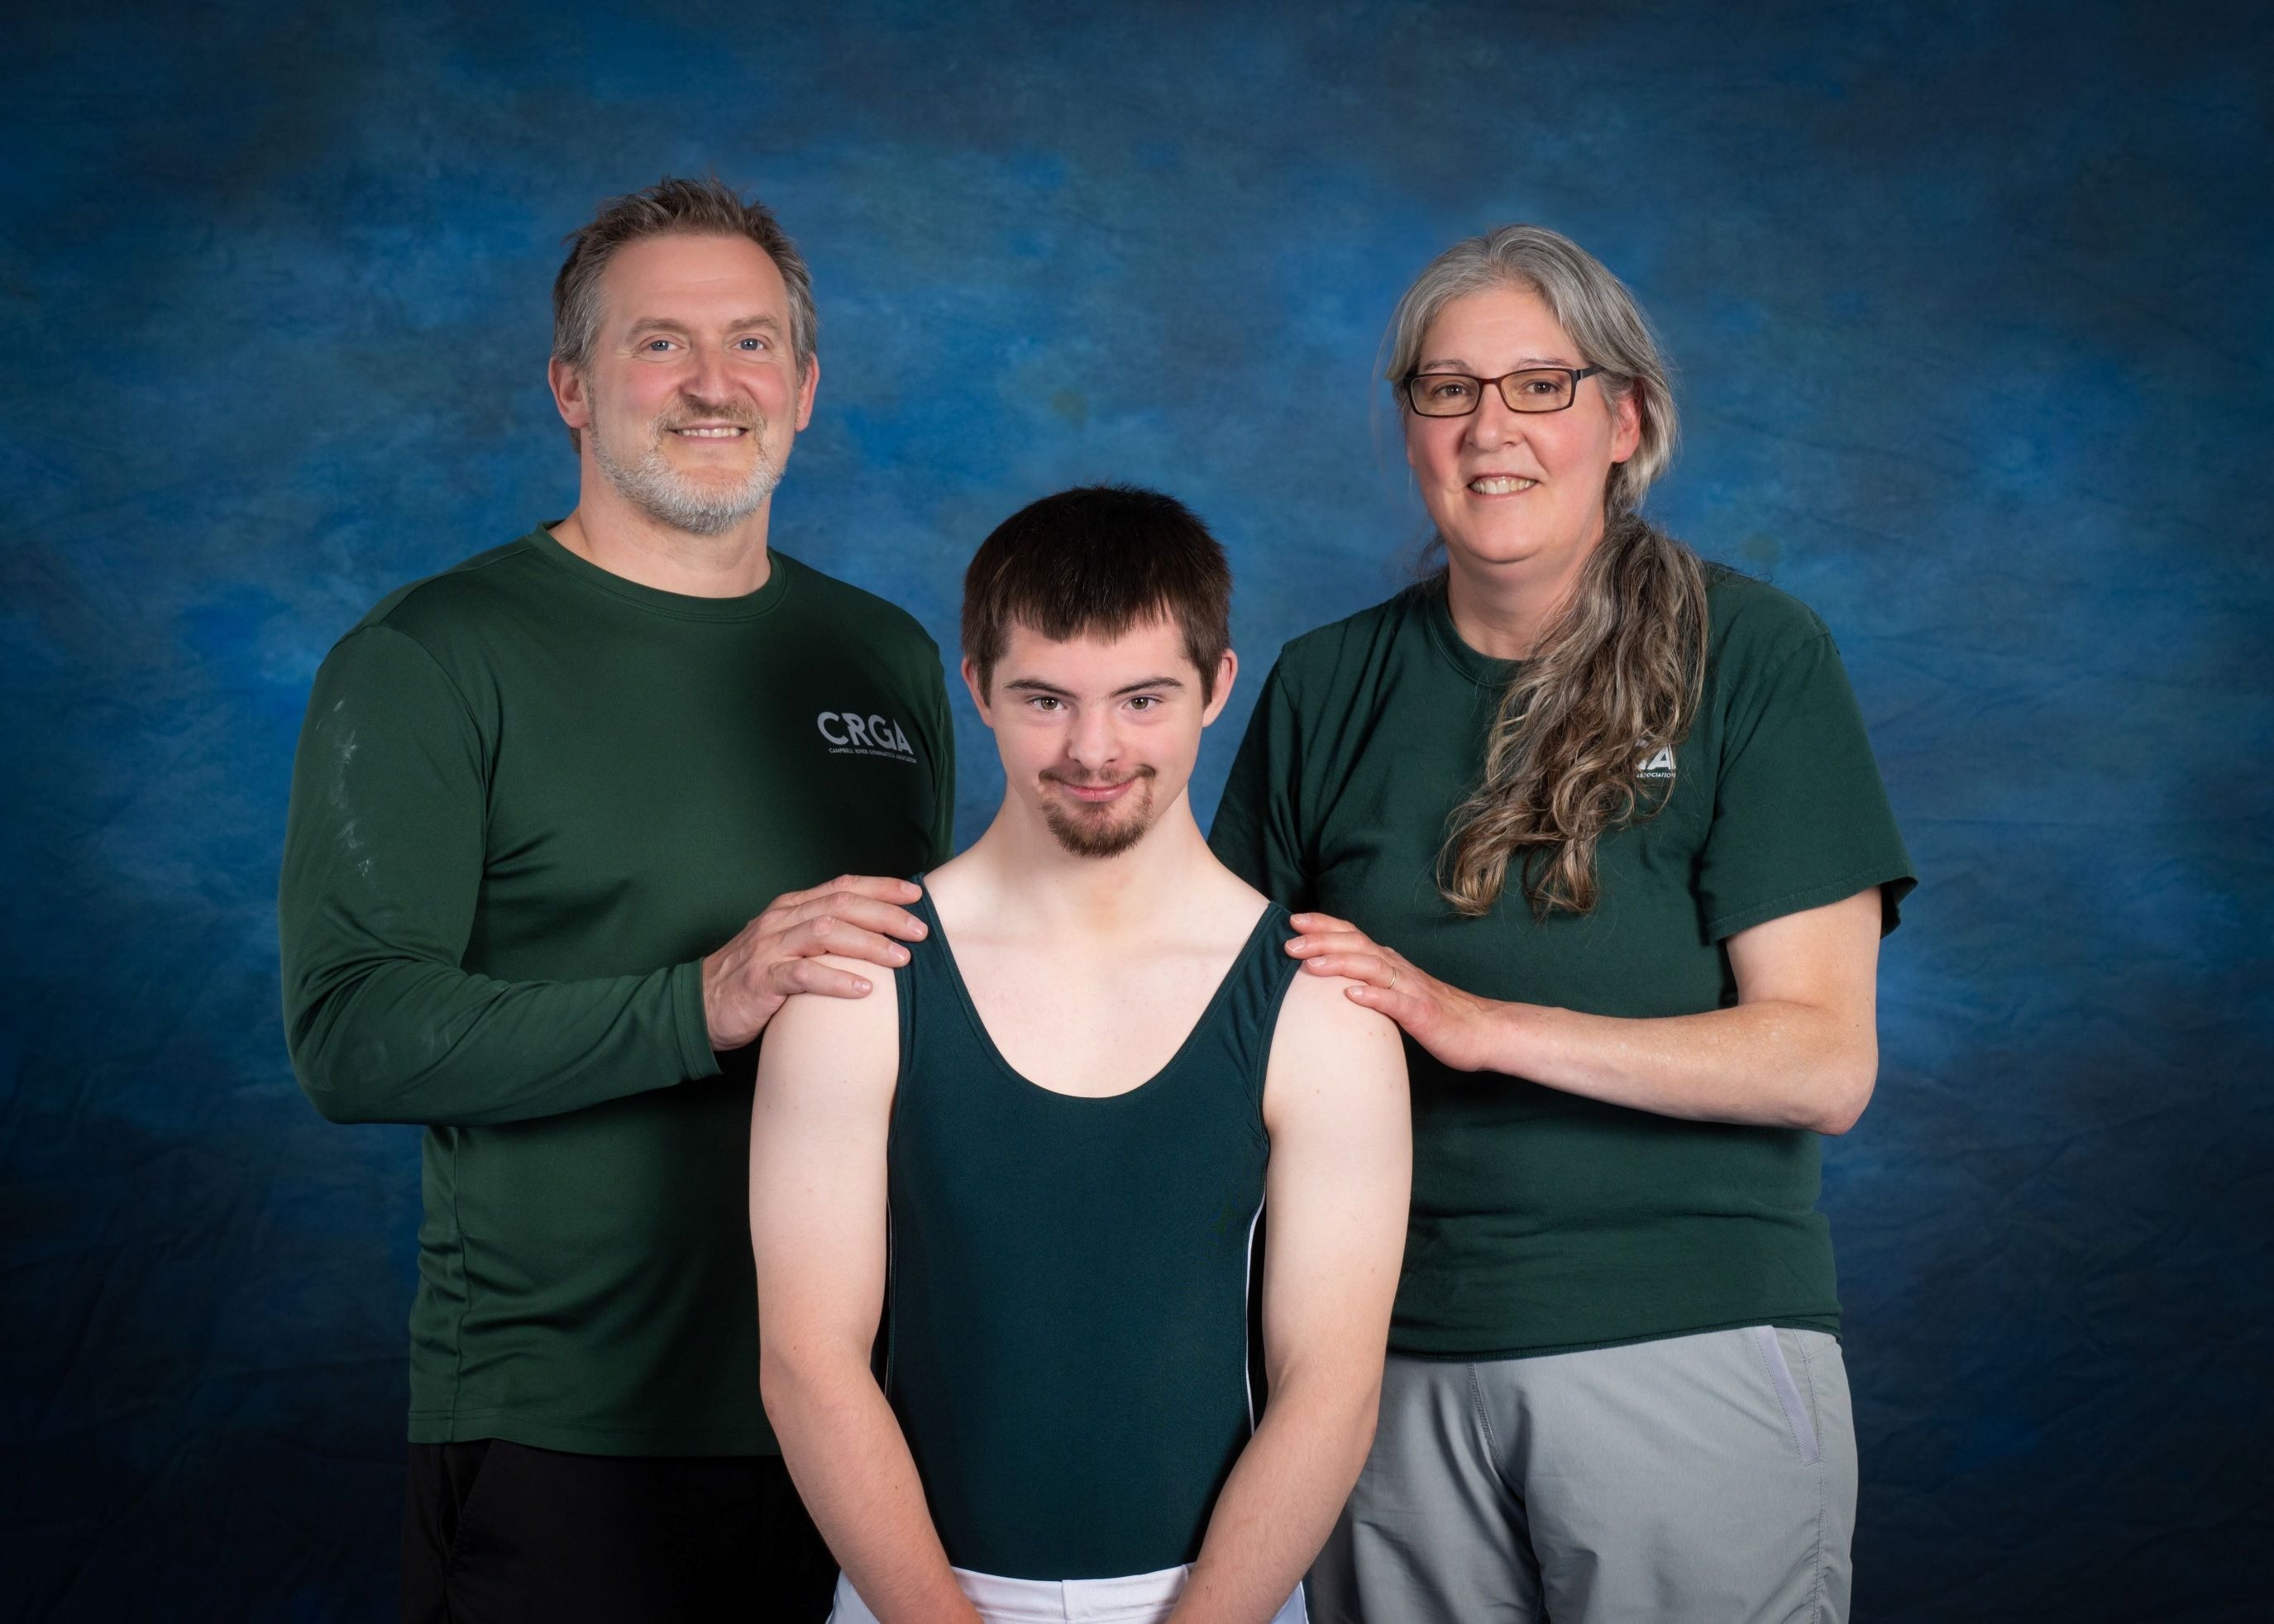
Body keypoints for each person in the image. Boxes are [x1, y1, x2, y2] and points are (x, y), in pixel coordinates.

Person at [1210, 226, 1917, 1622]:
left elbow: (1820, 1063)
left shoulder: (1751, 655)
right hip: (1373, 1370)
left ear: (1624, 418)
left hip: (1677, 1335)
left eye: (1540, 386)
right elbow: (1216, 1037)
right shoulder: (1323, 685)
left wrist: (1476, 1026)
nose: (1489, 430)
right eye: (1446, 389)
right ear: (1408, 423)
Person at [278, 178, 952, 1623]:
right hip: (570, 1423)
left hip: (861, 1420)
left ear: (805, 388)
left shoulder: (884, 657)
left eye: (752, 343)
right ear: (571, 388)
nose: (714, 383)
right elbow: (352, 1036)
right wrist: (699, 1002)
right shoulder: (433, 655)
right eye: (660, 344)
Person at [748, 486, 1412, 1624]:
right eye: (1045, 699)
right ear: (978, 689)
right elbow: (808, 1361)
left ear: (1216, 687)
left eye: (1142, 699)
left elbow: (1331, 1389)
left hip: (1215, 1595)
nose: (1093, 750)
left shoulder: (1320, 1002)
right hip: (917, 1591)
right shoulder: (861, 980)